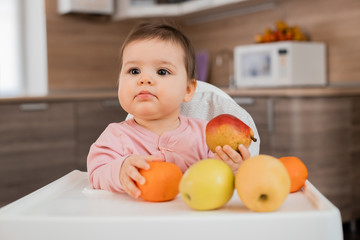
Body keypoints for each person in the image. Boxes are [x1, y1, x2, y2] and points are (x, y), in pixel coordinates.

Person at [87, 22, 251, 199]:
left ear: (188, 90)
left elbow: (221, 178)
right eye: (134, 71)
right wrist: (120, 170)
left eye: (162, 71)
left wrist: (232, 166)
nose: (144, 79)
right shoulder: (115, 136)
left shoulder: (205, 136)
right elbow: (96, 171)